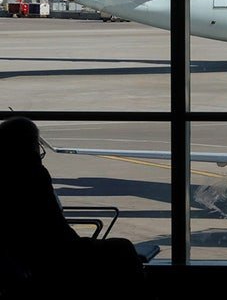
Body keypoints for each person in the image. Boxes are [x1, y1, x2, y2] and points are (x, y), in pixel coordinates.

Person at [0, 117, 152, 298]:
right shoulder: (33, 174)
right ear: (30, 147)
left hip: (30, 257)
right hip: (55, 256)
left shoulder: (5, 175)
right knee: (123, 248)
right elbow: (53, 227)